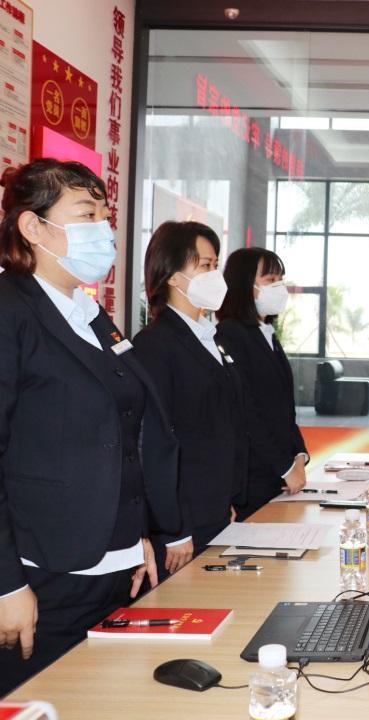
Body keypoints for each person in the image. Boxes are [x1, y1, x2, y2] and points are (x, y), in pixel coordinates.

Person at [0, 159, 180, 694]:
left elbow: (121, 433)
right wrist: (6, 585)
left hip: (112, 565)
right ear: (33, 227)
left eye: (105, 216)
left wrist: (134, 536)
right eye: (86, 215)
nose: (103, 230)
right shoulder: (10, 311)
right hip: (42, 572)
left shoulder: (87, 312)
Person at [133, 221, 248, 572]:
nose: (215, 275)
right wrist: (175, 528)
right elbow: (155, 444)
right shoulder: (155, 344)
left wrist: (225, 499)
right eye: (205, 266)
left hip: (214, 508)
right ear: (172, 276)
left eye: (215, 265)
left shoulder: (210, 337)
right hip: (183, 524)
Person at [216, 248, 307, 519]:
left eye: (280, 279)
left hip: (279, 476)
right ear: (245, 284)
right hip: (254, 477)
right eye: (270, 279)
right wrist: (284, 467)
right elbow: (247, 411)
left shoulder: (266, 334)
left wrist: (299, 455)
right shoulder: (230, 334)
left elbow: (284, 409)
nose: (279, 287)